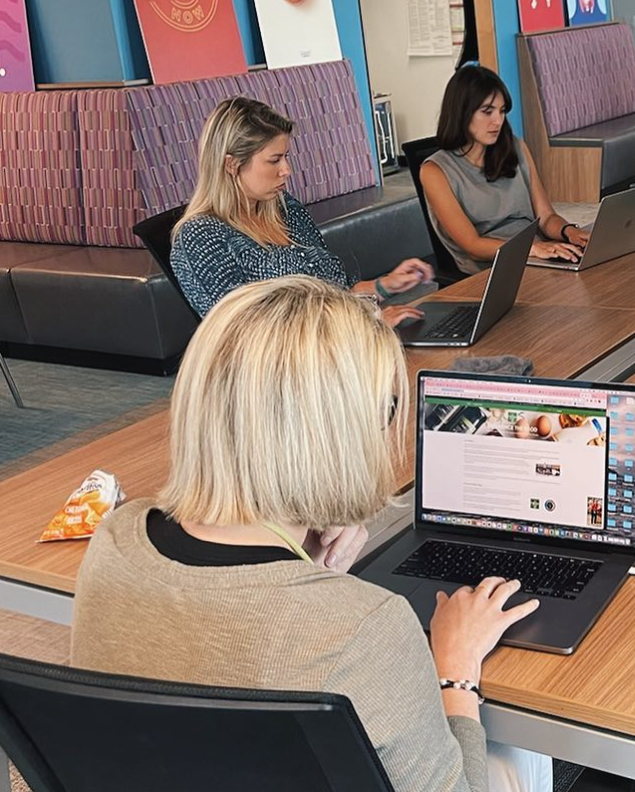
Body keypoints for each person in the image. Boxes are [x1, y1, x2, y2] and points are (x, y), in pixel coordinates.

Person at [71, 276, 551, 792]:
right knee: (515, 757)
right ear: (345, 432)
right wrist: (455, 673)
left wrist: (301, 564)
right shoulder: (368, 628)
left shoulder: (116, 537)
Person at [171, 97, 431, 325]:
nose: (286, 170)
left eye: (286, 157)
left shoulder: (285, 208)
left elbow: (336, 292)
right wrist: (368, 327)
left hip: (337, 345)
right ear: (232, 164)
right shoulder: (200, 237)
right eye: (274, 160)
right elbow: (247, 334)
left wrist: (384, 286)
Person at [421, 64, 591, 274]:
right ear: (462, 112)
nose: (498, 121)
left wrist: (569, 232)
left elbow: (546, 217)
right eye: (487, 111)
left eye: (501, 111)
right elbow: (472, 246)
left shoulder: (516, 147)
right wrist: (534, 249)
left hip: (538, 255)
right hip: (493, 269)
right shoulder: (435, 171)